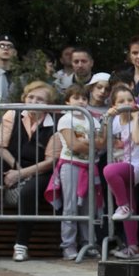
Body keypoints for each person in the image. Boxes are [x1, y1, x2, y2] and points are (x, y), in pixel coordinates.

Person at [0, 82, 59, 261]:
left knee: (28, 192)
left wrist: (22, 174)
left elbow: (50, 161)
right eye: (31, 97)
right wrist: (17, 169)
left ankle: (21, 245)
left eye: (40, 99)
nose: (33, 101)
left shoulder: (54, 122)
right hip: (13, 162)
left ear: (48, 105)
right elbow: (0, 146)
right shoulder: (13, 114)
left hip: (41, 170)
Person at [53, 83, 101, 260]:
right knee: (71, 206)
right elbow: (74, 145)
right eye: (76, 98)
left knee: (89, 206)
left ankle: (89, 243)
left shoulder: (93, 120)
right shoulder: (66, 119)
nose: (80, 102)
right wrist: (91, 144)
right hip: (71, 165)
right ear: (67, 102)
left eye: (83, 98)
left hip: (89, 166)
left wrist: (89, 144)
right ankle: (68, 245)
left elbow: (102, 143)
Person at [102, 84, 139, 259]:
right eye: (121, 101)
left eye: (130, 100)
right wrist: (107, 119)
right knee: (130, 205)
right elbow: (102, 142)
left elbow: (137, 139)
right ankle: (133, 247)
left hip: (134, 167)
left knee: (109, 170)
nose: (126, 103)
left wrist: (135, 118)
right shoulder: (113, 122)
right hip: (120, 172)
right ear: (114, 105)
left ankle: (122, 206)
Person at [0, 36, 16, 104]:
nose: (5, 48)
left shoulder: (20, 77)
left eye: (9, 46)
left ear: (15, 52)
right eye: (1, 45)